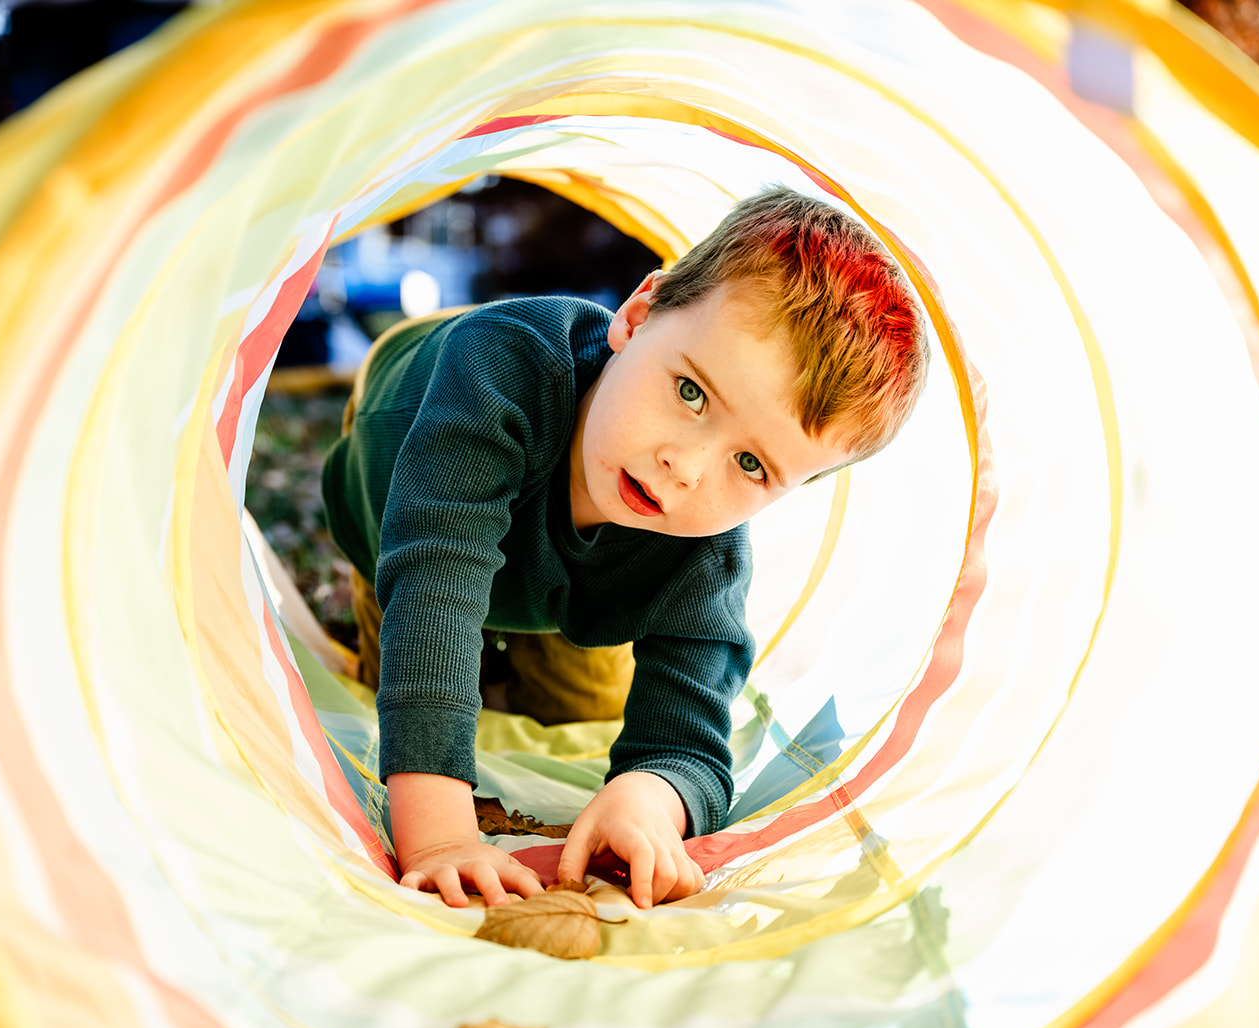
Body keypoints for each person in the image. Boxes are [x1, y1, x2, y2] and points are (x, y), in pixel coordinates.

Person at [320, 186, 929, 911]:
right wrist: (442, 840)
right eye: (692, 393)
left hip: (573, 570)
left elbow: (692, 740)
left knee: (582, 712)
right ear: (639, 314)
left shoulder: (704, 550)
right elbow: (435, 589)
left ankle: (532, 636)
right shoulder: (498, 374)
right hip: (408, 454)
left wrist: (650, 795)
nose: (687, 465)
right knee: (413, 675)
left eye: (752, 465)